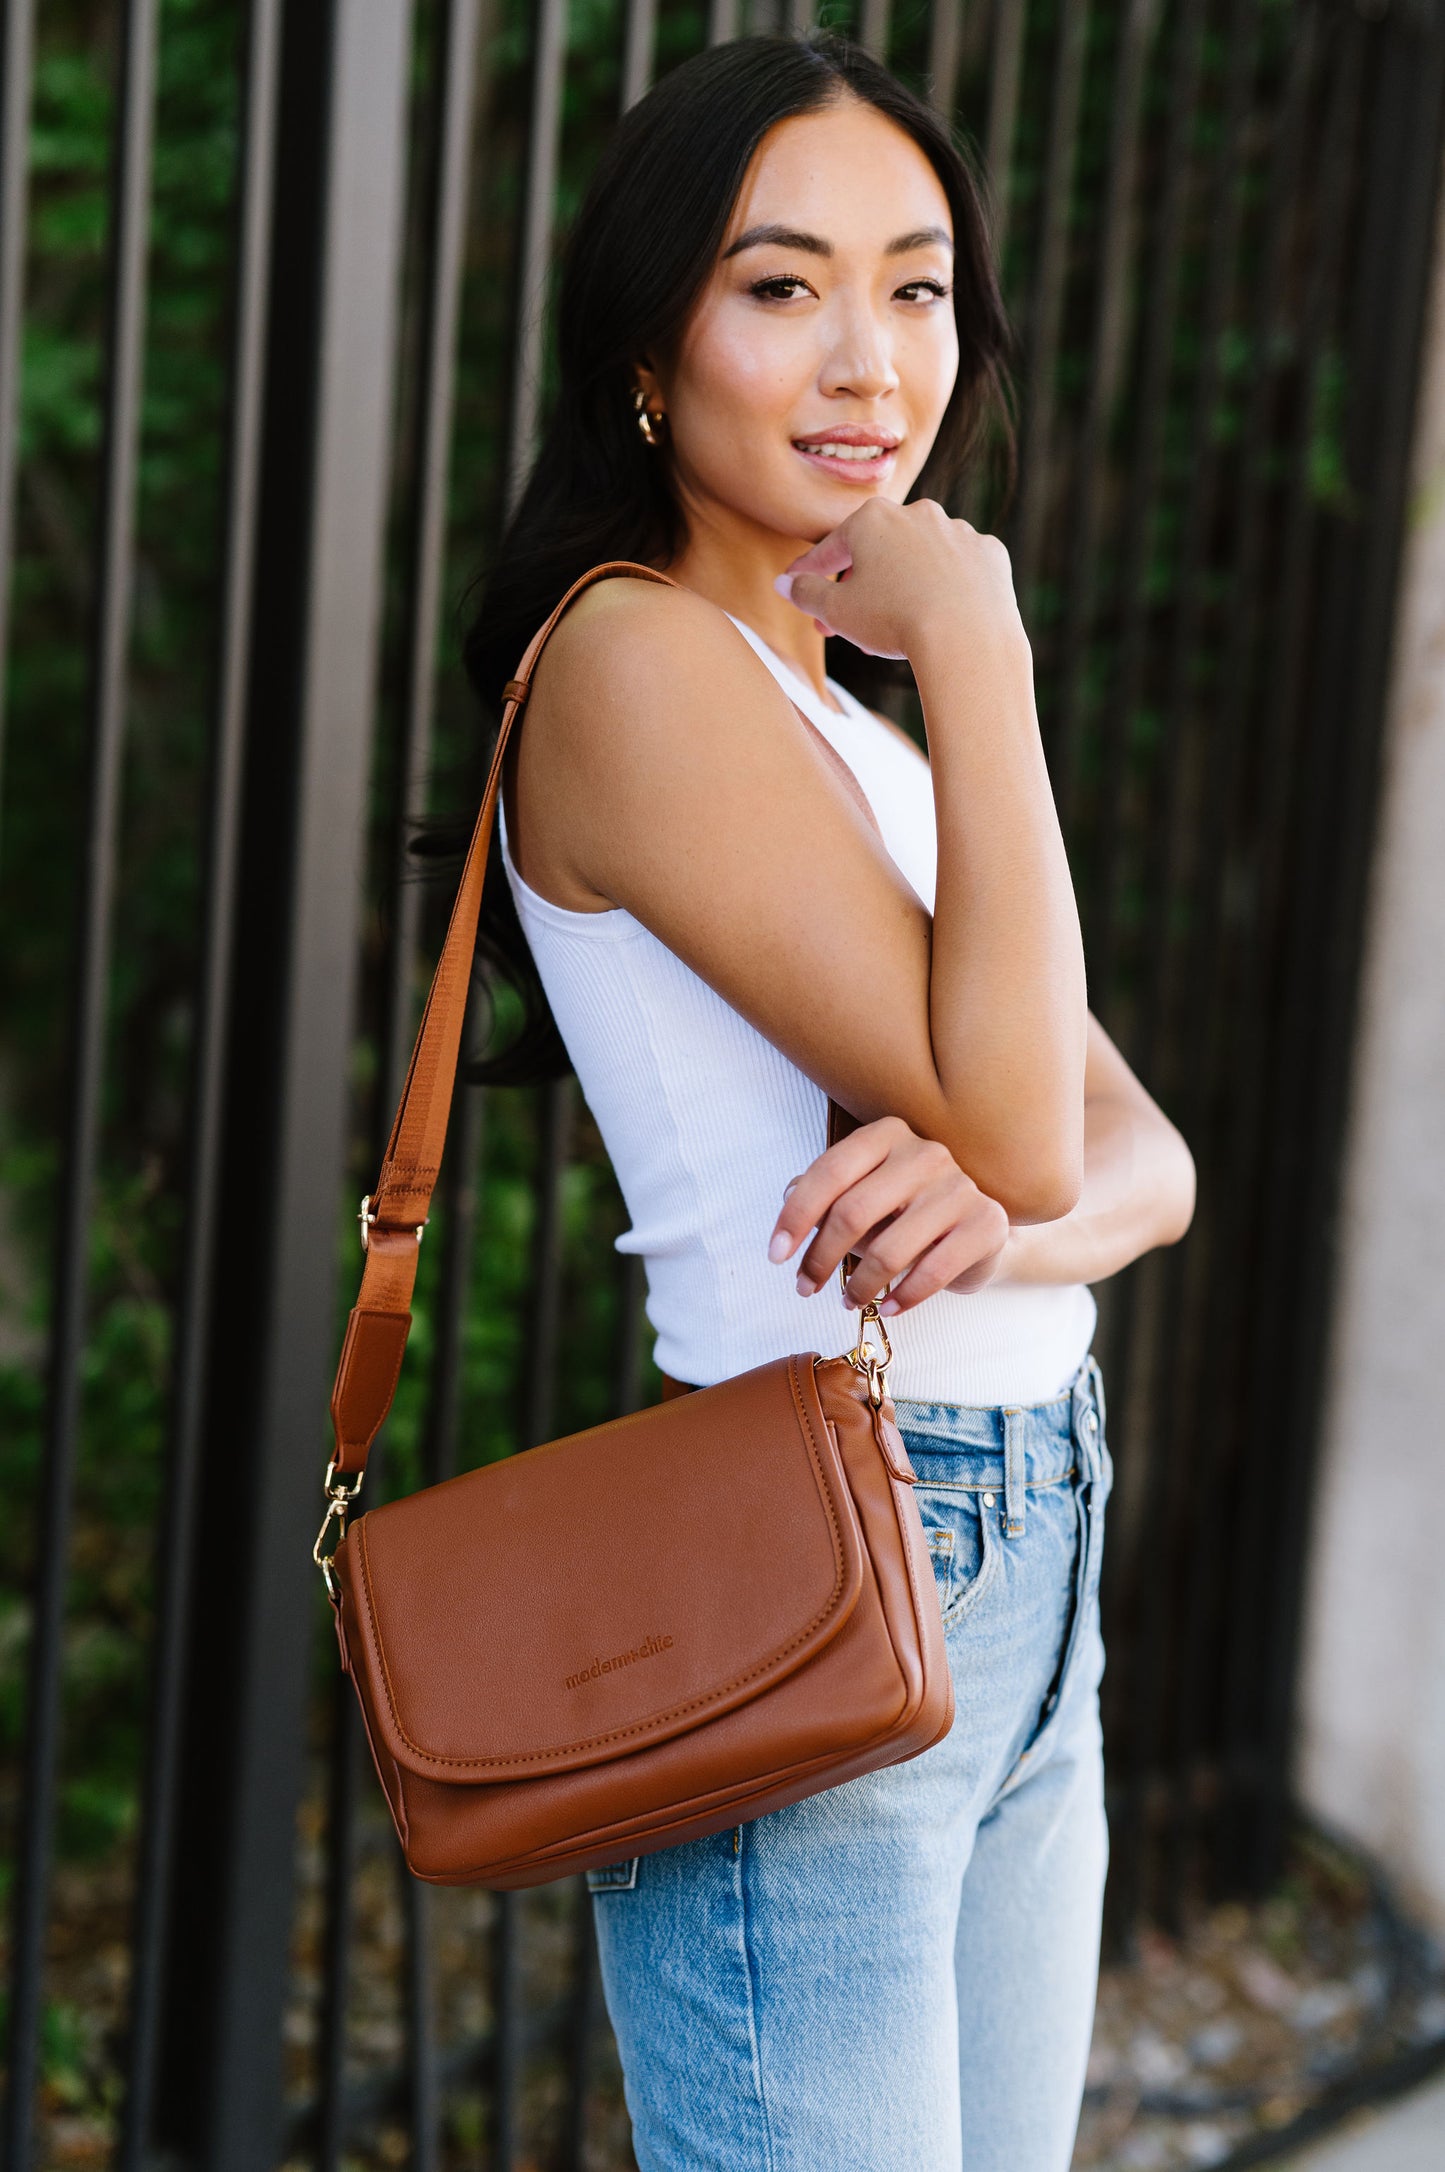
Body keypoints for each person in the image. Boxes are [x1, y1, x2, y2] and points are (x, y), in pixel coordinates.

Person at [462, 30, 1195, 2172]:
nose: (871, 354)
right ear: (645, 347)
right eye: (781, 285)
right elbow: (1056, 1131)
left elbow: (1134, 1157)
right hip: (839, 1538)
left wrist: (1003, 1200)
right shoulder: (631, 665)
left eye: (918, 281)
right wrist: (977, 636)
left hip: (1027, 1534)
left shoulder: (822, 715)